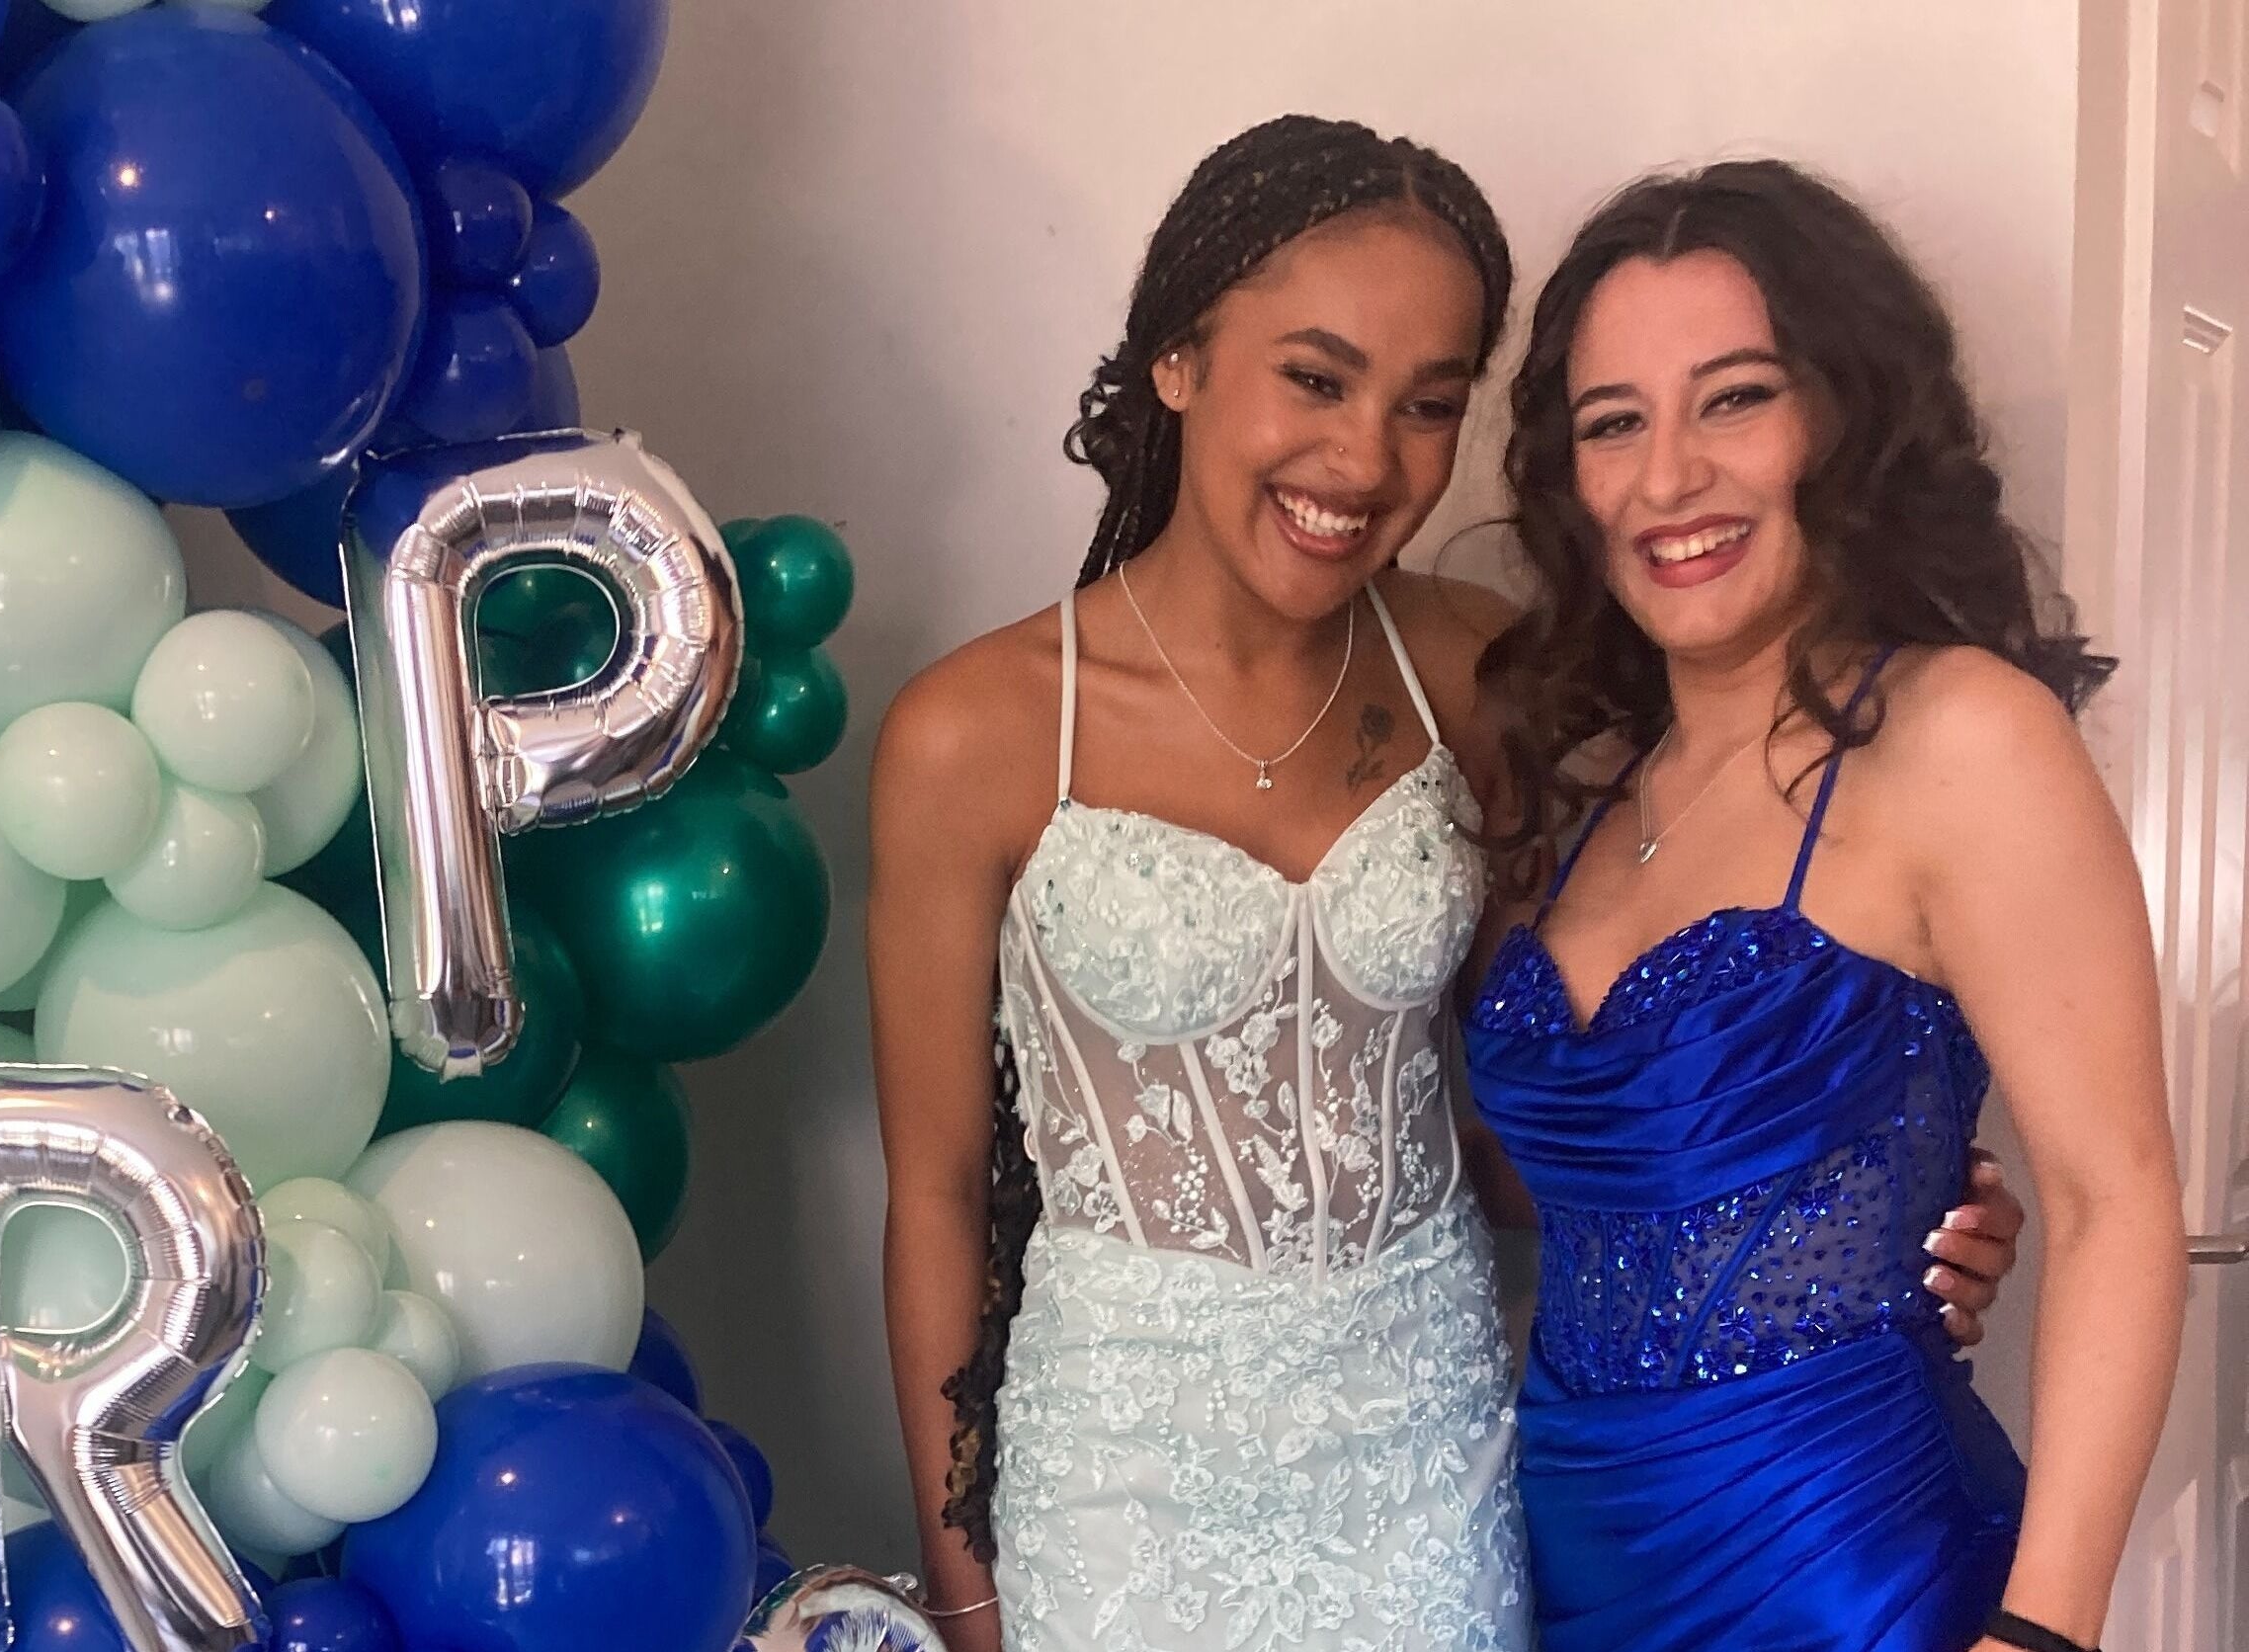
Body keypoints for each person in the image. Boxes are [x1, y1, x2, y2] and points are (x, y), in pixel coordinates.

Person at [866, 122, 2024, 1652]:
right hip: (1118, 1466)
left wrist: (1848, 1201)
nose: (1367, 462)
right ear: (1177, 361)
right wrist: (965, 1584)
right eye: (1316, 377)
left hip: (1429, 1437)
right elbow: (940, 1196)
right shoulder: (976, 731)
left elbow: (1572, 1062)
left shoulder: (1476, 673)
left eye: (1430, 405)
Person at [1462, 160, 2187, 1652]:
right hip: (1578, 1578)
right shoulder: (1600, 796)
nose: (1669, 477)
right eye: (1616, 424)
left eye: (1735, 398)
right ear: (1570, 480)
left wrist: (2042, 1637)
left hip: (1855, 1580)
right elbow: (1631, 1193)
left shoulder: (1960, 736)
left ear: (1842, 417)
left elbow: (2120, 1203)